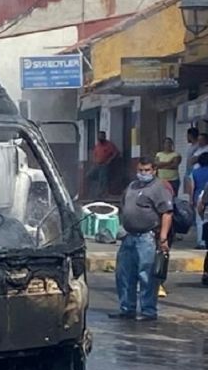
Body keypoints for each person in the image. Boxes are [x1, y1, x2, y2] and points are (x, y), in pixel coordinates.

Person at [110, 157, 173, 322]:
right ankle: (127, 309)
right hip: (129, 237)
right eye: (140, 170)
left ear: (154, 171)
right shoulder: (132, 186)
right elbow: (123, 205)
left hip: (147, 238)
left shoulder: (158, 188)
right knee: (124, 275)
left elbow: (167, 213)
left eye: (147, 170)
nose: (143, 173)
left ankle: (148, 311)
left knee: (147, 275)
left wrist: (163, 238)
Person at [86, 131, 119, 199]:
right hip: (96, 165)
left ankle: (101, 195)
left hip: (104, 165)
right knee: (88, 175)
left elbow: (116, 153)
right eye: (99, 136)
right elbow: (94, 153)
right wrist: (93, 161)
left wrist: (109, 160)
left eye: (101, 136)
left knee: (103, 180)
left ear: (104, 137)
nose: (100, 137)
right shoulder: (97, 145)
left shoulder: (109, 145)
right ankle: (93, 192)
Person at [187, 152, 208, 249]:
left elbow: (192, 187)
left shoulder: (195, 172)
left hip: (199, 197)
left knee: (200, 221)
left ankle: (201, 241)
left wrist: (191, 199)